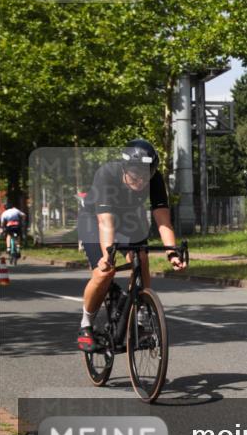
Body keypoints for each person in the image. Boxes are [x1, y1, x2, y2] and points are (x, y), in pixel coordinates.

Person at [76, 139, 186, 352]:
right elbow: (105, 223)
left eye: (147, 175)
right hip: (94, 219)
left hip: (128, 219)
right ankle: (86, 325)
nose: (142, 181)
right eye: (136, 175)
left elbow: (163, 220)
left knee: (141, 257)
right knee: (103, 273)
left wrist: (172, 252)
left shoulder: (155, 179)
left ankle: (141, 312)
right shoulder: (107, 174)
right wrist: (107, 256)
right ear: (125, 168)